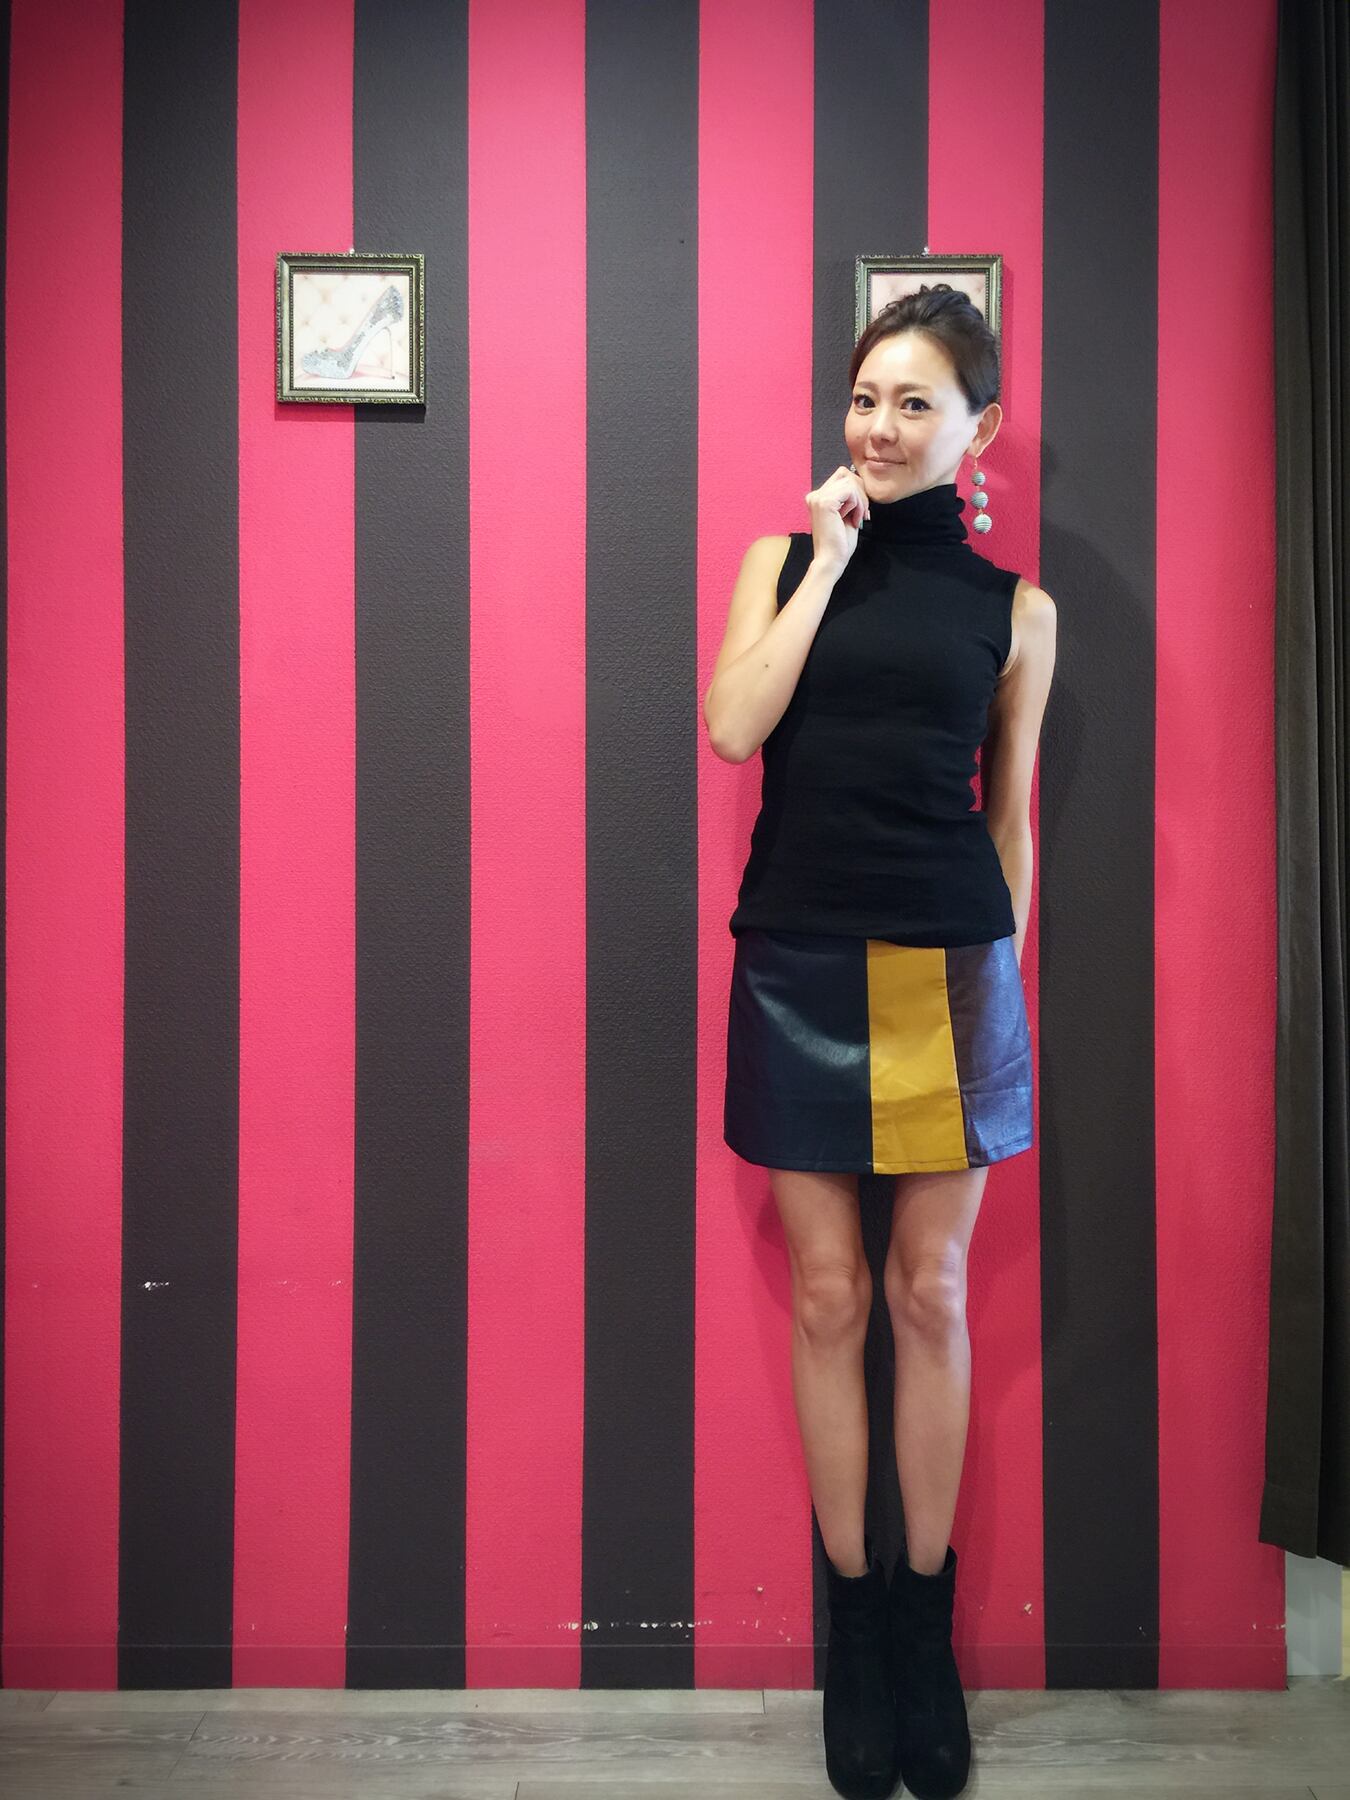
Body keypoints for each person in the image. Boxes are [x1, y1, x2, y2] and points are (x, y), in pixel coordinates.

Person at [703, 284, 1057, 1800]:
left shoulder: (1018, 611)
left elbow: (1012, 822)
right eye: (865, 397)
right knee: (831, 1294)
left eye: (917, 403)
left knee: (929, 1291)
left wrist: (1003, 981)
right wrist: (830, 562)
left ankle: (923, 1634)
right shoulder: (781, 560)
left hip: (950, 969)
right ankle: (855, 1629)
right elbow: (733, 727)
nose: (882, 426)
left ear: (979, 428)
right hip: (798, 957)